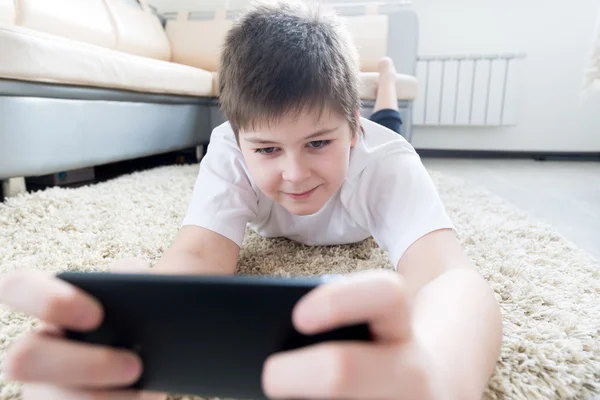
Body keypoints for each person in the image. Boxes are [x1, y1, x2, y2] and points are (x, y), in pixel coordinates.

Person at [0, 1, 502, 399]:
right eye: (266, 148)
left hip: (378, 134)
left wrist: (440, 377)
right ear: (238, 137)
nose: (294, 172)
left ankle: (383, 88)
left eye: (318, 142)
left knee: (391, 122)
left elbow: (449, 278)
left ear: (350, 128)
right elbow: (200, 253)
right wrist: (146, 326)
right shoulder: (226, 149)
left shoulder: (386, 160)